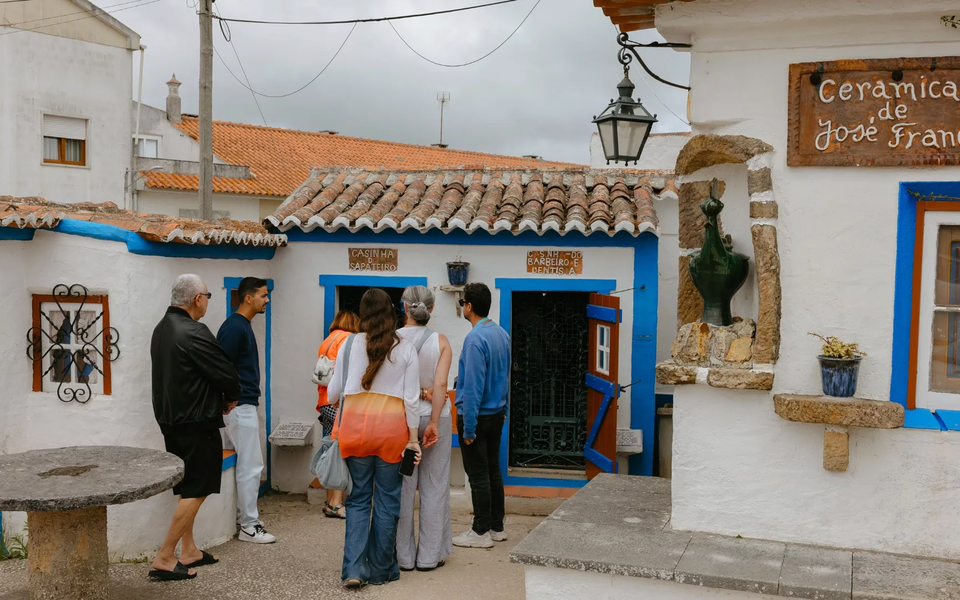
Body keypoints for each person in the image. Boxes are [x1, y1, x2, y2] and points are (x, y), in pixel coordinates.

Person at [327, 288, 421, 589]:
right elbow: (411, 400)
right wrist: (414, 439)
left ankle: (354, 570)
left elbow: (332, 393)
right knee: (387, 500)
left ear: (363, 313)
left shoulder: (349, 344)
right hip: (392, 433)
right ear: (393, 311)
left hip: (355, 432)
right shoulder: (404, 347)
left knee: (357, 501)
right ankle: (381, 570)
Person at [149, 274, 241, 581]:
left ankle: (189, 550)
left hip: (171, 420)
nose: (207, 302)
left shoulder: (162, 329)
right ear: (197, 299)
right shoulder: (193, 330)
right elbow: (224, 371)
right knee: (197, 489)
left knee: (187, 486)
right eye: (207, 296)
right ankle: (165, 555)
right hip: (196, 422)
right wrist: (230, 397)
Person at [396, 286, 453, 572]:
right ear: (431, 310)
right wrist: (432, 422)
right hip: (435, 416)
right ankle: (430, 556)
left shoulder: (392, 341)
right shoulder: (441, 341)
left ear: (404, 308)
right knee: (434, 484)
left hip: (401, 420)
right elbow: (441, 385)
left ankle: (403, 557)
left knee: (404, 485)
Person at [216, 277, 277, 544]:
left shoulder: (241, 326)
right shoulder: (234, 328)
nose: (267, 300)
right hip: (239, 406)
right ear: (248, 298)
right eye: (263, 295)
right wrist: (230, 399)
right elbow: (221, 367)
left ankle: (246, 520)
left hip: (242, 404)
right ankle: (249, 526)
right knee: (252, 465)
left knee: (248, 463)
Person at [452, 282, 511, 549]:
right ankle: (497, 527)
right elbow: (505, 376)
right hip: (496, 413)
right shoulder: (501, 333)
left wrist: (469, 428)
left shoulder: (475, 339)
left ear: (469, 306)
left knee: (477, 475)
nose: (462, 306)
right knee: (492, 471)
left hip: (477, 415)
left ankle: (480, 532)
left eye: (463, 302)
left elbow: (473, 386)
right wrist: (505, 408)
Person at [313, 309, 360, 519]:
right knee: (340, 451)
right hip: (338, 403)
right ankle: (336, 503)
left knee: (330, 447)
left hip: (324, 402)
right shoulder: (349, 339)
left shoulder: (328, 340)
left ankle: (329, 499)